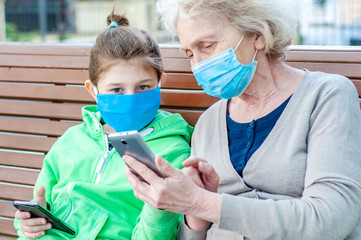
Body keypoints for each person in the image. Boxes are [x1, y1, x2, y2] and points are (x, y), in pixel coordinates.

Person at [122, 0, 361, 239]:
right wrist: (194, 212)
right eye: (189, 54)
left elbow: (331, 218)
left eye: (207, 45)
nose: (198, 64)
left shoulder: (326, 95)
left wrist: (201, 201)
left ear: (258, 34)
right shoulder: (208, 124)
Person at [13, 9, 193, 240]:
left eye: (143, 87)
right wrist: (27, 225)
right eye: (117, 90)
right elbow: (38, 206)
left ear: (160, 83)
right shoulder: (71, 140)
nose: (130, 98)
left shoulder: (172, 152)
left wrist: (160, 208)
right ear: (93, 91)